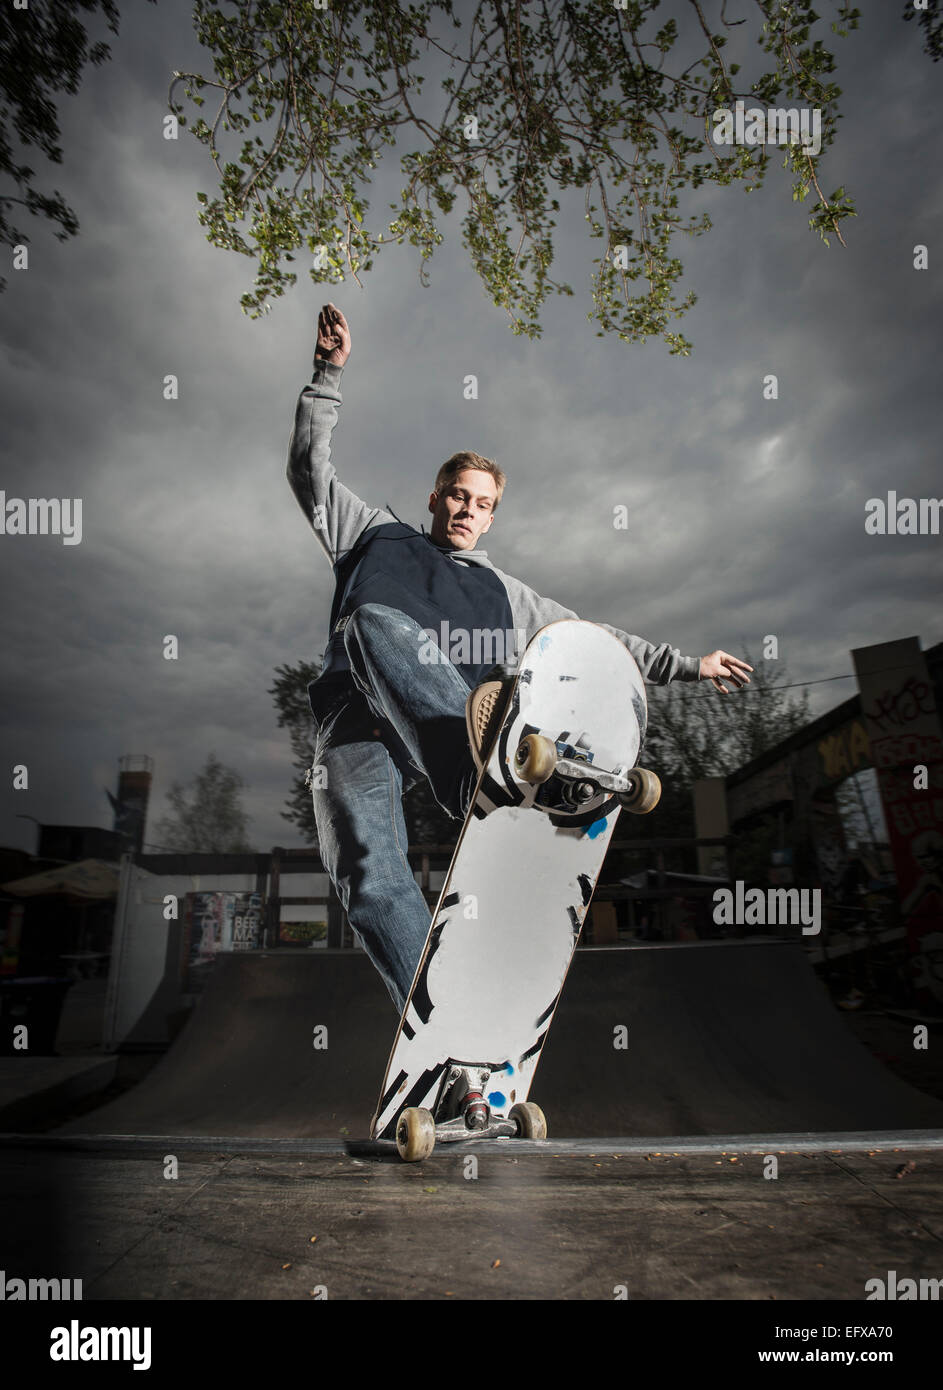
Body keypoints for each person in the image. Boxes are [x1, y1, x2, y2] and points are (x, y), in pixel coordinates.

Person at [287, 303, 752, 1012]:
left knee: (373, 623)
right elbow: (307, 470)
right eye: (457, 496)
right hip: (353, 725)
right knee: (363, 872)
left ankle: (470, 769)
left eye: (483, 503)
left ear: (493, 514)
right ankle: (437, 1023)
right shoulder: (373, 534)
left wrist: (689, 664)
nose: (468, 510)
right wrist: (329, 372)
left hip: (447, 733)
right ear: (435, 496)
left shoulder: (509, 597)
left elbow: (595, 641)